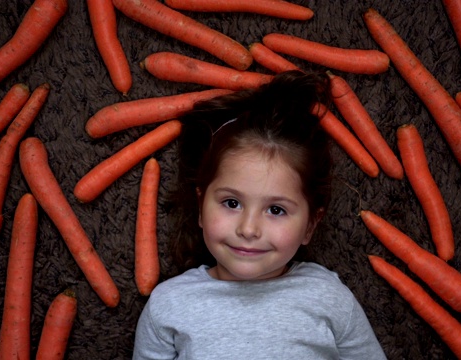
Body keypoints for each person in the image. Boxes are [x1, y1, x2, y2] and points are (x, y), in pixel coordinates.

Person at [133, 70, 387, 360]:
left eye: (276, 210)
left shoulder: (329, 297)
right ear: (201, 207)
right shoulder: (168, 305)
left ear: (310, 226)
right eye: (231, 203)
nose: (249, 229)